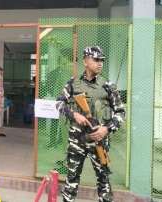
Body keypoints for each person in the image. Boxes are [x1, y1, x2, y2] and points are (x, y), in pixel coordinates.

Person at [56, 46, 125, 202]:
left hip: (99, 141)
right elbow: (59, 103)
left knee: (104, 179)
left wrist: (107, 129)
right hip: (77, 140)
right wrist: (74, 114)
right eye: (96, 60)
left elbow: (121, 112)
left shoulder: (108, 85)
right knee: (71, 178)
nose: (100, 63)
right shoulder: (73, 84)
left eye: (102, 60)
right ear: (85, 61)